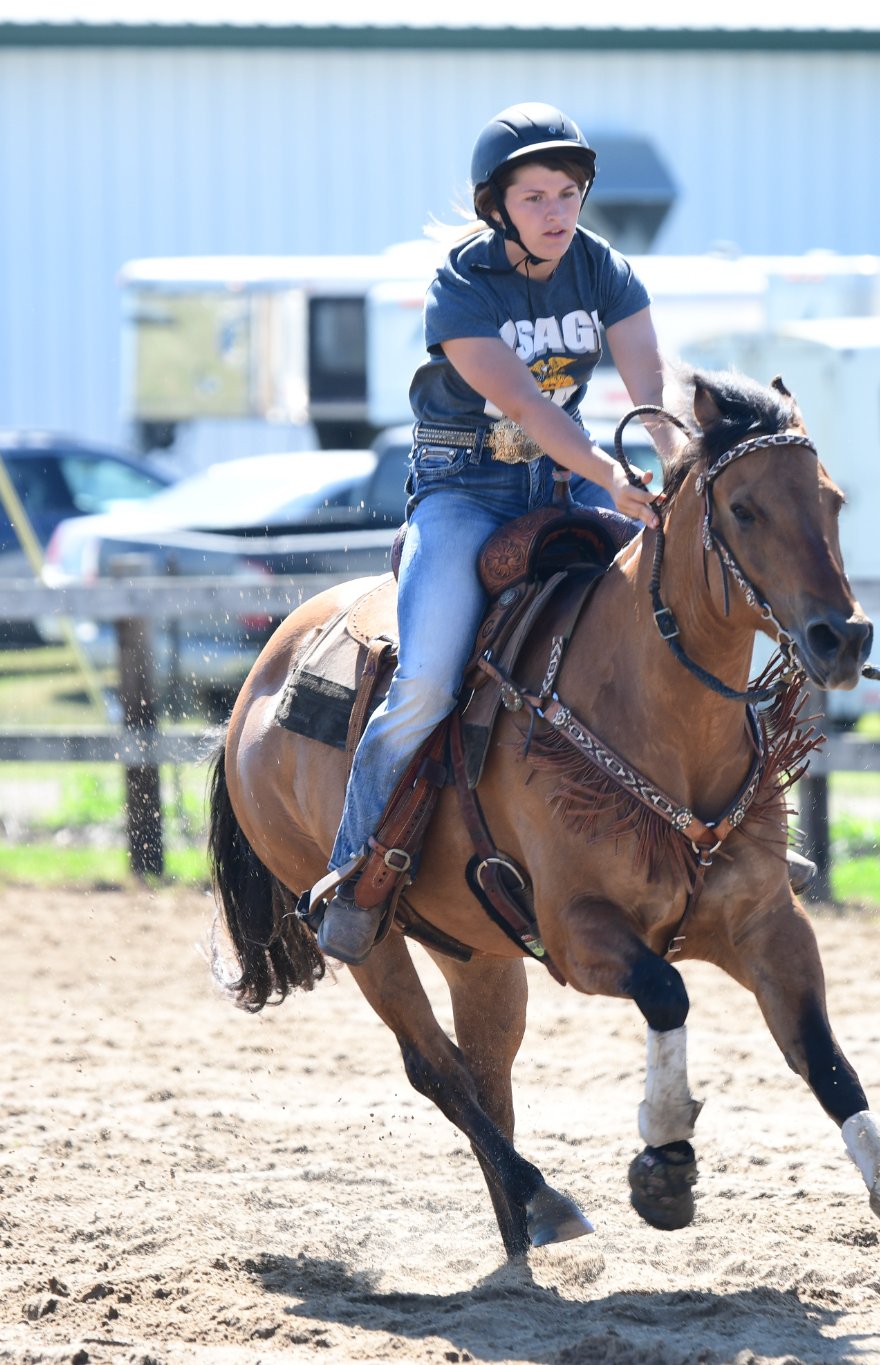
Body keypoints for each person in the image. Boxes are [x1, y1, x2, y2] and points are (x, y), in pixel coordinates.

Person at [313, 101, 673, 963]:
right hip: (463, 495)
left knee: (679, 609)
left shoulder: (607, 271)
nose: (557, 211)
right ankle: (351, 871)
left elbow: (652, 382)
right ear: (497, 206)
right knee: (429, 683)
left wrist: (678, 458)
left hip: (557, 485)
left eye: (570, 193)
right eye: (537, 196)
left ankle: (723, 837)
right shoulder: (461, 285)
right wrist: (613, 479)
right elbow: (525, 404)